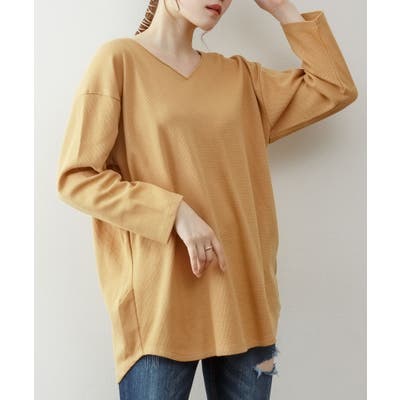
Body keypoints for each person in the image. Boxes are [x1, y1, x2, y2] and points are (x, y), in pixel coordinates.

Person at [56, 0, 358, 399]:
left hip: (244, 299)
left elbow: (335, 86)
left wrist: (282, 8)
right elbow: (77, 177)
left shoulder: (240, 78)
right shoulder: (119, 61)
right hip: (161, 305)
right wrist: (173, 212)